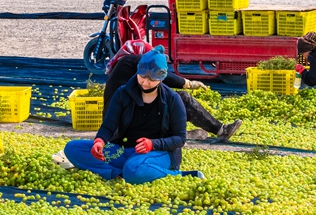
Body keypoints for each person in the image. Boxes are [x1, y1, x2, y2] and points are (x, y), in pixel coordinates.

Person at [61, 46, 198, 183]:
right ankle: (121, 173)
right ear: (138, 71)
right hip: (123, 151)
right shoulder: (122, 93)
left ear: (162, 78)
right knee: (72, 148)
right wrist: (99, 141)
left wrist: (153, 144)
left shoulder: (172, 99)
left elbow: (180, 139)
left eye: (152, 80)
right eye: (143, 77)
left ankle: (180, 175)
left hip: (158, 153)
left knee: (133, 168)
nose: (145, 83)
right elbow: (109, 125)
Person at [103, 40, 241, 142]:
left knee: (170, 99)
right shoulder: (133, 61)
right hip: (124, 129)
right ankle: (219, 130)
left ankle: (183, 133)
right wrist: (187, 83)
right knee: (182, 99)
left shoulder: (122, 67)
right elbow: (162, 75)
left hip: (117, 128)